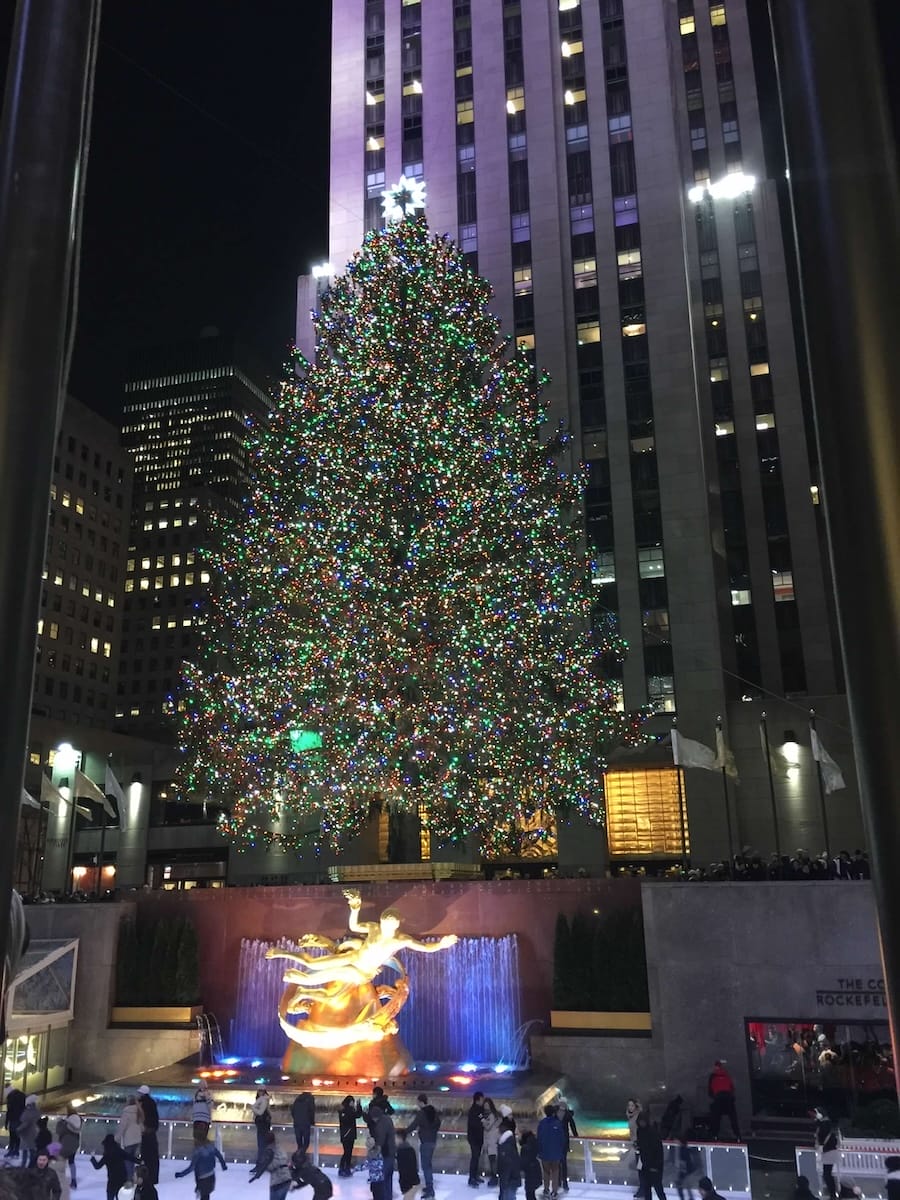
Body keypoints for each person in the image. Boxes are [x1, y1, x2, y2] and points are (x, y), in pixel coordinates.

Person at [404, 1096, 441, 1199]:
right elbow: (438, 1123)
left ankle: (430, 1190)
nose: (417, 1104)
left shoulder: (422, 1113)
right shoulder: (433, 1111)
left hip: (425, 1142)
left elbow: (413, 1125)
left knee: (426, 1167)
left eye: (417, 1102)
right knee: (427, 1165)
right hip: (433, 1141)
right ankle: (429, 1187)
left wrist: (403, 1132)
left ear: (420, 1102)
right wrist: (432, 1131)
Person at [175, 1134, 228, 1199]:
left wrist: (181, 1174)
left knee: (204, 1196)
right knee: (206, 1195)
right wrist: (223, 1165)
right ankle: (198, 1189)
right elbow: (219, 1155)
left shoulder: (198, 1151)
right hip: (211, 1176)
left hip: (202, 1179)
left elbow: (192, 1167)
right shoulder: (211, 1147)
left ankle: (198, 1189)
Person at [91, 1133, 137, 1200]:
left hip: (112, 1181)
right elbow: (130, 1157)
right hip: (122, 1179)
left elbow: (97, 1166)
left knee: (110, 1196)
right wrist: (140, 1161)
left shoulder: (107, 1155)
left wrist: (92, 1157)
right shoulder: (120, 1151)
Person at [249, 1131, 293, 1200]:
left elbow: (265, 1164)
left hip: (278, 1180)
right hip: (287, 1178)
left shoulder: (269, 1151)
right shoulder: (280, 1148)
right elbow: (286, 1161)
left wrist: (257, 1175)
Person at [536, 1104, 565, 1200]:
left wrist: (539, 1151)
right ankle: (555, 1190)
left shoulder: (541, 1124)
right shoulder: (558, 1124)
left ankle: (546, 1189)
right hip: (556, 1153)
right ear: (553, 1112)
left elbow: (539, 1138)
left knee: (546, 1172)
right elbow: (562, 1139)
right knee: (555, 1172)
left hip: (544, 1152)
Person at [707, 1062, 740, 1141]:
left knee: (716, 1117)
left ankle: (715, 1135)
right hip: (728, 1097)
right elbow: (732, 1087)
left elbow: (710, 1090)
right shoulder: (726, 1075)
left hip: (719, 1097)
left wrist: (714, 1096)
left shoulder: (713, 1076)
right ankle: (738, 1135)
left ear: (715, 1067)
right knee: (733, 1117)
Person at [371, 1099, 397, 1200]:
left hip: (385, 1154)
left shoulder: (381, 1123)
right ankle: (388, 1197)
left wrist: (374, 1152)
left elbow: (380, 1140)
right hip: (391, 1152)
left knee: (382, 1179)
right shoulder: (388, 1119)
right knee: (388, 1179)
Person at [635, 1113, 665, 1200]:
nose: (642, 1123)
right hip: (645, 1164)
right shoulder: (639, 1131)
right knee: (646, 1188)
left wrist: (656, 1166)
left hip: (655, 1166)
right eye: (640, 1121)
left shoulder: (653, 1133)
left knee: (658, 1188)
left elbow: (659, 1151)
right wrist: (637, 1145)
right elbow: (641, 1145)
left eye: (643, 1121)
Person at [137, 1085, 160, 1186]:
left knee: (146, 1156)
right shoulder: (152, 1102)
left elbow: (142, 1117)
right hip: (152, 1133)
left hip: (146, 1133)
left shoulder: (142, 1103)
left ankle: (146, 1177)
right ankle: (154, 1177)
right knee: (153, 1157)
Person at [118, 1094, 143, 1181]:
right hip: (137, 1139)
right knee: (133, 1159)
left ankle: (129, 1178)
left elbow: (122, 1126)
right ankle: (133, 1176)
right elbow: (141, 1126)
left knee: (128, 1160)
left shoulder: (126, 1112)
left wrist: (116, 1138)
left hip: (129, 1140)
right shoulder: (139, 1111)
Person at [55, 1108, 82, 1191]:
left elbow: (59, 1131)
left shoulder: (65, 1123)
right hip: (74, 1145)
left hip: (64, 1144)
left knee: (61, 1161)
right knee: (71, 1161)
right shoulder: (79, 1121)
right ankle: (73, 1180)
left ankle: (59, 1180)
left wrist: (60, 1122)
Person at [338, 1095, 364, 1177]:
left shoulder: (344, 1111)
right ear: (349, 1102)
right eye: (352, 1102)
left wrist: (358, 1107)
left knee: (347, 1152)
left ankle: (344, 1168)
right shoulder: (347, 1111)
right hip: (348, 1135)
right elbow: (358, 1115)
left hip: (347, 1135)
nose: (353, 1103)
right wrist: (358, 1106)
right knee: (347, 1152)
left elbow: (357, 1115)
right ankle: (345, 1168)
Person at [555, 1101, 577, 1193]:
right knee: (563, 1162)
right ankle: (564, 1183)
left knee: (557, 1162)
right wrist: (576, 1135)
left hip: (556, 1141)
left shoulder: (555, 1114)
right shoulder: (567, 1115)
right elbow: (572, 1125)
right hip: (563, 1141)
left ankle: (559, 1182)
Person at [497, 1118, 521, 1200]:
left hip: (509, 1180)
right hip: (511, 1179)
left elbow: (507, 1165)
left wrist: (504, 1181)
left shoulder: (505, 1145)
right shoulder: (509, 1142)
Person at [674, 1133, 701, 1200]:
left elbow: (685, 1161)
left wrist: (683, 1171)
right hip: (686, 1171)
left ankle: (685, 1198)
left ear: (679, 1141)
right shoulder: (683, 1148)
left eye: (676, 1140)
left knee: (681, 1186)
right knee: (685, 1186)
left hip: (685, 1171)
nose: (675, 1141)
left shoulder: (683, 1149)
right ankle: (688, 1198)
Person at [467, 1092, 485, 1187]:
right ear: (477, 1099)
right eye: (482, 1099)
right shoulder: (473, 1110)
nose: (483, 1101)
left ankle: (475, 1175)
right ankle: (471, 1178)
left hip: (479, 1138)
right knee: (474, 1157)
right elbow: (474, 1124)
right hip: (474, 1138)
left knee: (477, 1157)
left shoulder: (480, 1110)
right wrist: (483, 1124)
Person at [482, 1098, 502, 1186]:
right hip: (490, 1140)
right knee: (492, 1160)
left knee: (493, 1160)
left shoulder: (492, 1115)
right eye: (485, 1105)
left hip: (493, 1140)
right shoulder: (490, 1115)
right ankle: (494, 1177)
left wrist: (483, 1121)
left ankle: (494, 1177)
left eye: (487, 1105)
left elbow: (488, 1127)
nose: (486, 1107)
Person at [18, 1093, 40, 1169]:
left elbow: (25, 1122)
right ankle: (32, 1165)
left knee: (25, 1151)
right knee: (32, 1150)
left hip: (26, 1133)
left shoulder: (27, 1112)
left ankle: (24, 1166)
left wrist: (18, 1129)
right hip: (34, 1132)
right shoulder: (36, 1111)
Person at [396, 1130, 420, 1199]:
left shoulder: (401, 1151)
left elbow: (403, 1169)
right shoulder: (410, 1149)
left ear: (399, 1138)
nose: (394, 1140)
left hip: (406, 1181)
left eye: (395, 1138)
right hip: (412, 1180)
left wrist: (402, 1182)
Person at [292, 1091, 316, 1156]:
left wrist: (295, 1119)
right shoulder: (310, 1100)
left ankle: (299, 1155)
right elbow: (312, 1112)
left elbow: (293, 1111)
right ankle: (302, 1155)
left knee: (299, 1142)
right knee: (306, 1142)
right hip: (306, 1124)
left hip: (297, 1123)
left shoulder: (297, 1100)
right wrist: (312, 1122)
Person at [519, 1131, 541, 1200]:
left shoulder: (525, 1148)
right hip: (536, 1171)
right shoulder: (534, 1144)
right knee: (531, 1193)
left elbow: (524, 1161)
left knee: (529, 1194)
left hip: (530, 1173)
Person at [253, 1087, 273, 1164]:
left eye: (261, 1091)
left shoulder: (263, 1099)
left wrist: (253, 1108)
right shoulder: (262, 1099)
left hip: (263, 1124)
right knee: (262, 1144)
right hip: (262, 1123)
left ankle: (260, 1162)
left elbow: (261, 1112)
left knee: (261, 1144)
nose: (260, 1092)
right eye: (259, 1090)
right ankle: (262, 1162)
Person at [5, 1086, 24, 1161]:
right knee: (17, 1137)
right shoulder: (21, 1096)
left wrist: (6, 1122)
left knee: (12, 1136)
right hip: (19, 1119)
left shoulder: (10, 1097)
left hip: (13, 1119)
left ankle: (11, 1150)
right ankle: (16, 1151)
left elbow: (9, 1111)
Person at [365, 1135, 386, 1200]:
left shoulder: (377, 1155)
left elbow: (380, 1165)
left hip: (378, 1181)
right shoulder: (371, 1154)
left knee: (379, 1196)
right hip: (375, 1181)